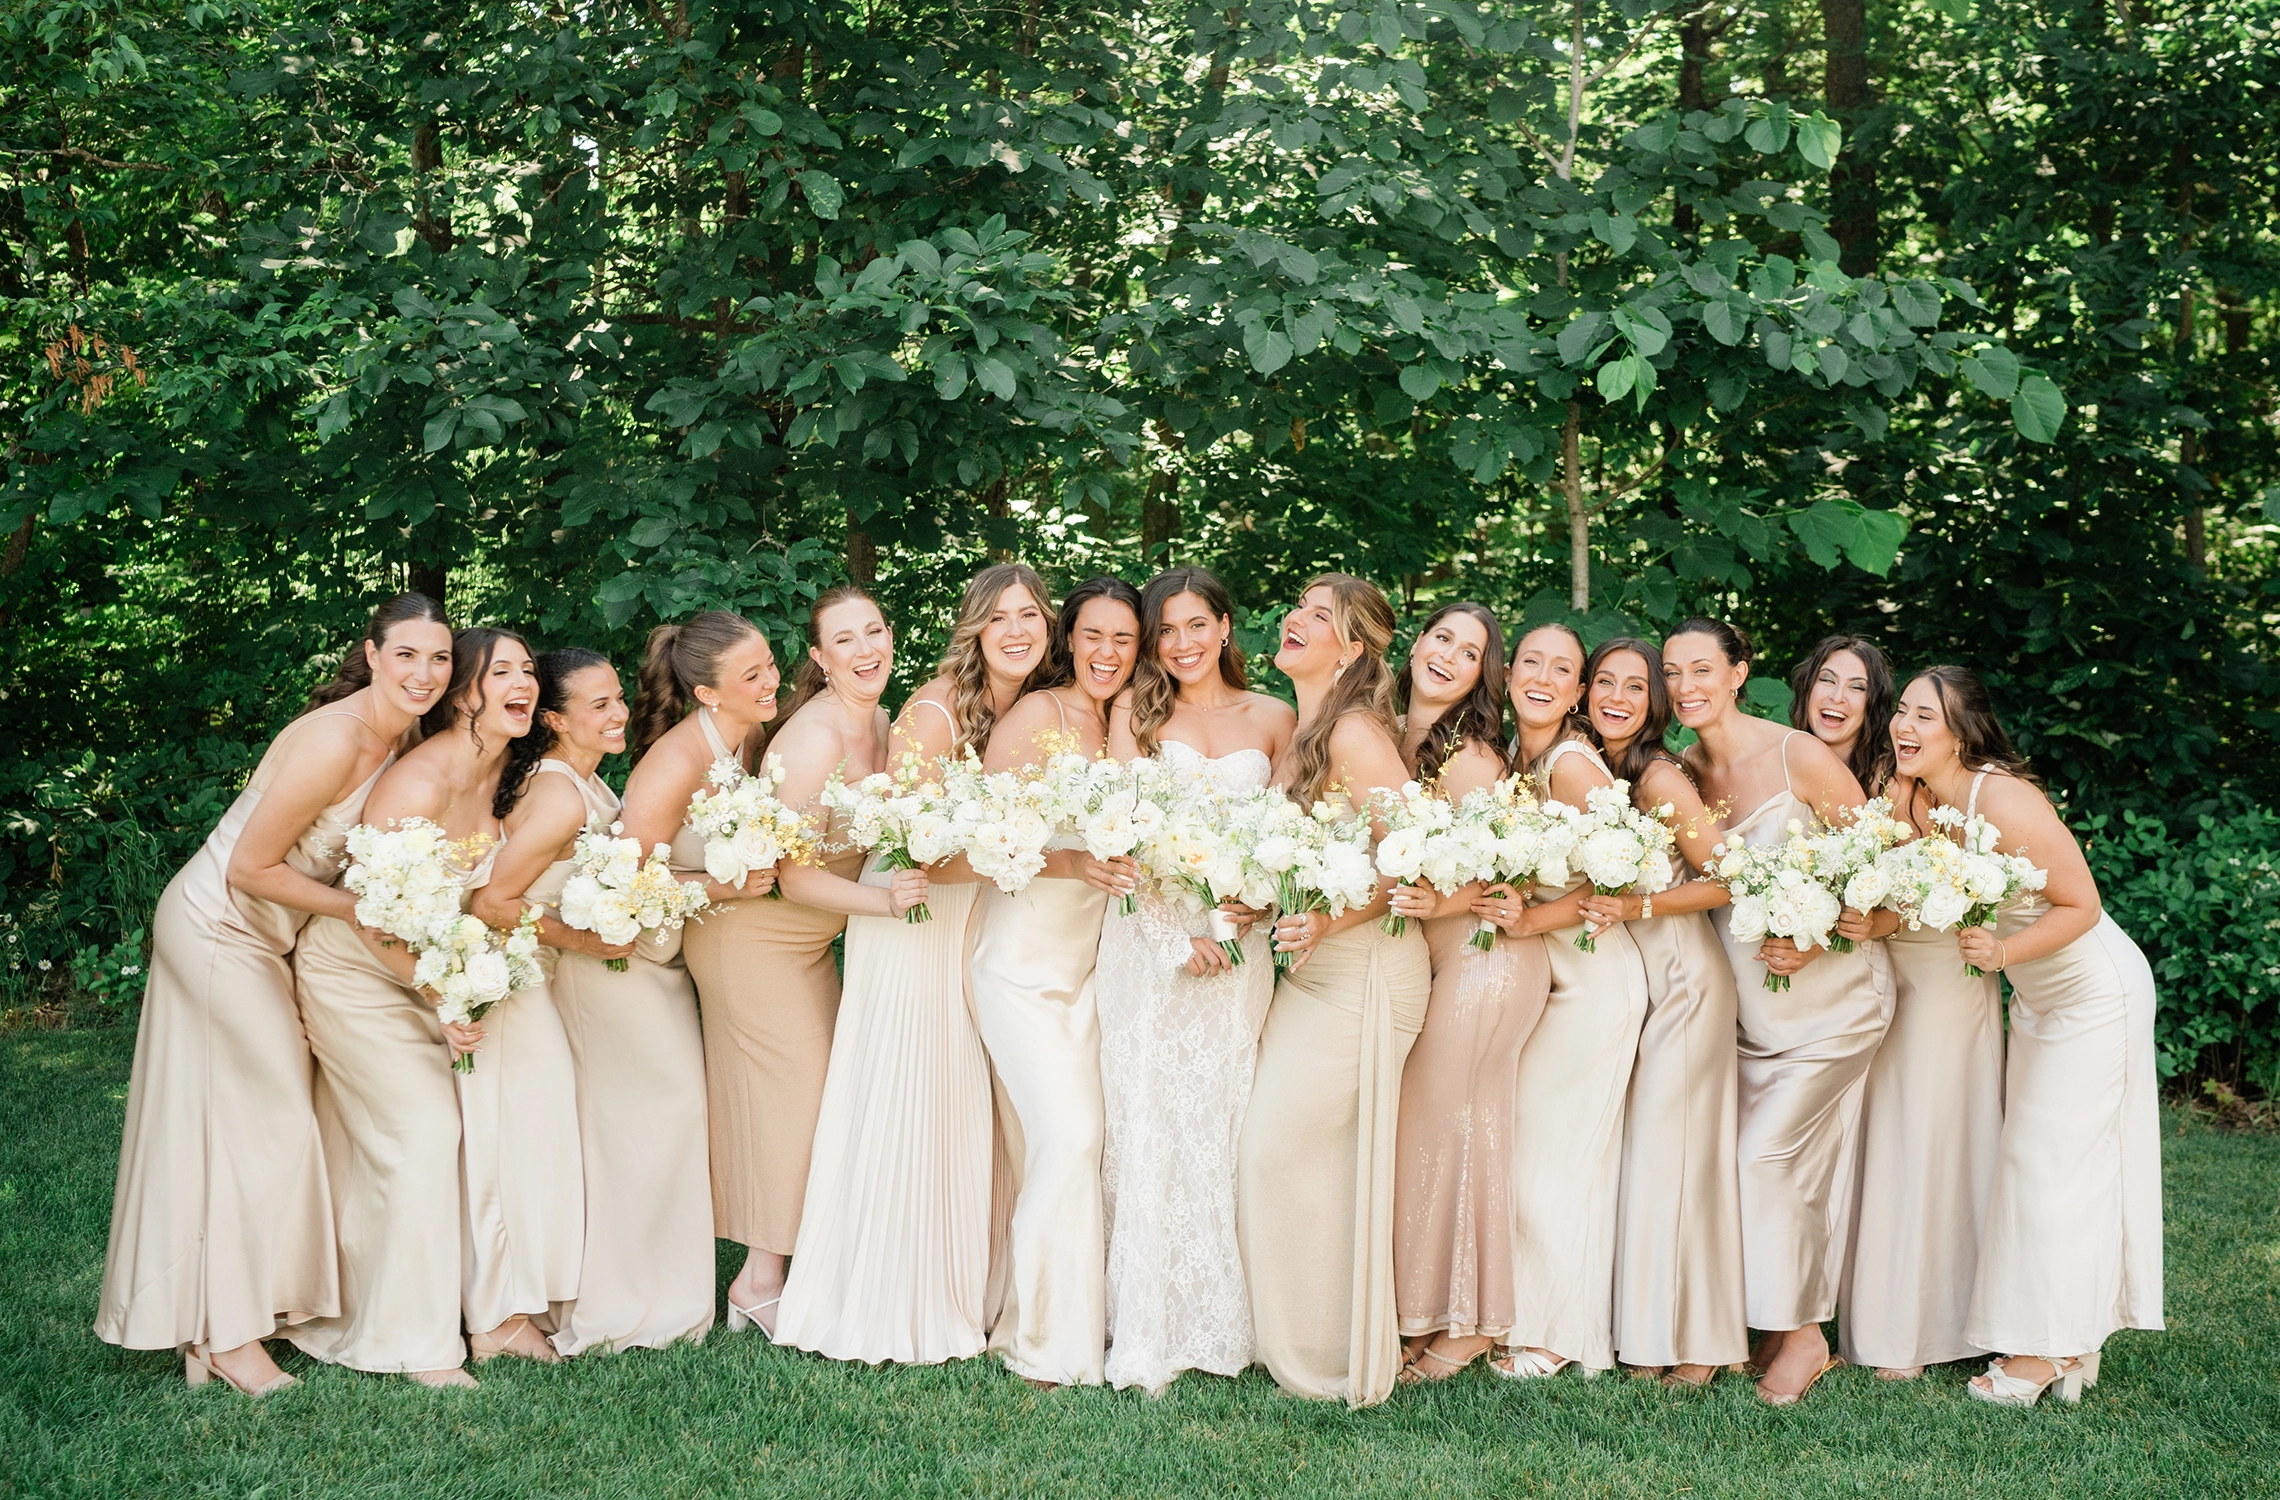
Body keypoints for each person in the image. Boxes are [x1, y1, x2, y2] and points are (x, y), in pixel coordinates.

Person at [96, 593, 450, 1397]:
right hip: (218, 929)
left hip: (268, 939)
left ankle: (217, 1324)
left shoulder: (404, 739)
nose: (423, 674)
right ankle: (229, 1337)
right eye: (406, 655)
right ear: (371, 654)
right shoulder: (337, 740)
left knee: (239, 1126)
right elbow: (249, 869)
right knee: (274, 1127)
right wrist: (366, 908)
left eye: (438, 659)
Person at [776, 564, 1051, 1364]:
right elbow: (910, 850)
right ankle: (888, 1299)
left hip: (962, 918)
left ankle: (960, 1287)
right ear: (973, 627)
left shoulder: (1012, 708)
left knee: (955, 1102)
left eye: (1029, 615)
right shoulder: (931, 713)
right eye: (998, 617)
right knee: (908, 1098)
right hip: (913, 924)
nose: (1015, 631)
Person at [290, 627, 554, 1386]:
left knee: (463, 1135)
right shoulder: (418, 781)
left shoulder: (508, 768)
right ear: (465, 688)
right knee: (426, 1131)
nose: (524, 683)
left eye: (529, 671)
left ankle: (486, 1312)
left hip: (427, 976)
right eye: (502, 670)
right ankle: (417, 1347)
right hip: (356, 974)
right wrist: (444, 995)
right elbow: (371, 915)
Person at [1894, 667, 2162, 1406]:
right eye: (1903, 711)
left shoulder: (2003, 798)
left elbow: (2081, 903)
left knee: (2054, 1166)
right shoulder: (1919, 799)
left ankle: (2051, 1352)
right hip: (2040, 1001)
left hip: (2092, 989)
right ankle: (2054, 1338)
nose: (1905, 727)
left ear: (1962, 732)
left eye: (1927, 716)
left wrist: (2003, 954)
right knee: (2032, 1161)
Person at [1667, 617, 1893, 1406]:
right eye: (1673, 673)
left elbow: (1881, 870)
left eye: (1702, 669)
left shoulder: (1801, 755)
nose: (1686, 686)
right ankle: (1760, 1324)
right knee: (1758, 1165)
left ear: (1739, 673)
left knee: (1762, 1159)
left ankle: (1804, 1337)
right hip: (1747, 1017)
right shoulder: (1680, 773)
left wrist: (1821, 933)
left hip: (1835, 1004)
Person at [473, 649, 713, 1357]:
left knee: (634, 1129)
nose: (618, 713)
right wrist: (579, 941)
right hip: (576, 979)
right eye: (599, 704)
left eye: (618, 699)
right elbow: (492, 901)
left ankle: (620, 1283)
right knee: (649, 1120)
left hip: (607, 976)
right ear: (553, 718)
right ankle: (624, 1296)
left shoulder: (586, 782)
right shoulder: (556, 794)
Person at [1095, 566, 1293, 1392]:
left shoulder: (1275, 717)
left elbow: (1287, 835)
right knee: (1147, 1118)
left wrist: (1245, 903)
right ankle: (1143, 1323)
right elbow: (1121, 835)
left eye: (1195, 625)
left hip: (1238, 948)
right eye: (1165, 629)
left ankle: (1221, 1318)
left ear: (1224, 626)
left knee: (1221, 1120)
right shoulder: (1134, 715)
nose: (1180, 644)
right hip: (1149, 943)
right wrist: (1174, 936)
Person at [1240, 574, 1432, 1409]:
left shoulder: (1354, 733)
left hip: (1366, 973)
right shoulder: (1300, 729)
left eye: (1321, 616)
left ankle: (1326, 1358)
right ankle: (1300, 1337)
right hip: (1311, 973)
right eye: (1299, 606)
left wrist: (1328, 924)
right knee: (1296, 1158)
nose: (1296, 618)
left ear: (1354, 649)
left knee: (1274, 1150)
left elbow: (1418, 856)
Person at [970, 576, 1144, 1387]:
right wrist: (1074, 859)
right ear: (1069, 638)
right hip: (1019, 964)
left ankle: (1072, 1324)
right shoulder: (1037, 717)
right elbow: (987, 841)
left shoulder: (1128, 721)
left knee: (1080, 1145)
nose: (1108, 653)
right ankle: (1038, 1341)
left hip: (1091, 971)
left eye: (1125, 639)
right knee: (1069, 1136)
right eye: (1095, 636)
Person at [1476, 622, 1649, 1381]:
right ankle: (1537, 1316)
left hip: (1594, 977)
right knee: (1538, 1152)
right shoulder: (1520, 757)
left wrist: (1532, 917)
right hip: (1556, 976)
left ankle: (1559, 1335)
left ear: (1578, 691)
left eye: (1564, 670)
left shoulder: (1573, 765)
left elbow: (1629, 869)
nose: (1544, 678)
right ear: (1510, 671)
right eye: (1532, 663)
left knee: (1558, 1158)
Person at [1384, 604, 1551, 1385]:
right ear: (1416, 645)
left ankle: (1472, 1325)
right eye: (1441, 637)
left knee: (1459, 1133)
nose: (1449, 655)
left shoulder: (1472, 757)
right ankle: (1428, 1311)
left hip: (1487, 961)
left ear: (1484, 675)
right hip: (1439, 963)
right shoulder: (1386, 733)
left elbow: (1506, 870)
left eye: (1471, 651)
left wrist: (1435, 905)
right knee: (1432, 1131)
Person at [1578, 637, 1748, 1387]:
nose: (1617, 696)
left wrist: (1634, 904)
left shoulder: (1656, 775)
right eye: (1604, 682)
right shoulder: (1600, 770)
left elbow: (1729, 878)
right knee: (1654, 1166)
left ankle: (1704, 1343)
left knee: (1679, 1164)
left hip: (1688, 982)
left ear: (1652, 706)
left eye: (1635, 686)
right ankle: (1651, 1333)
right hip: (1649, 988)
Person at [616, 611, 786, 1331]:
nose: (772, 679)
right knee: (666, 1116)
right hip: (629, 966)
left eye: (771, 663)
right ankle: (648, 1287)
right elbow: (623, 879)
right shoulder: (678, 758)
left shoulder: (746, 741)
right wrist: (723, 886)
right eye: (753, 676)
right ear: (708, 693)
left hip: (689, 955)